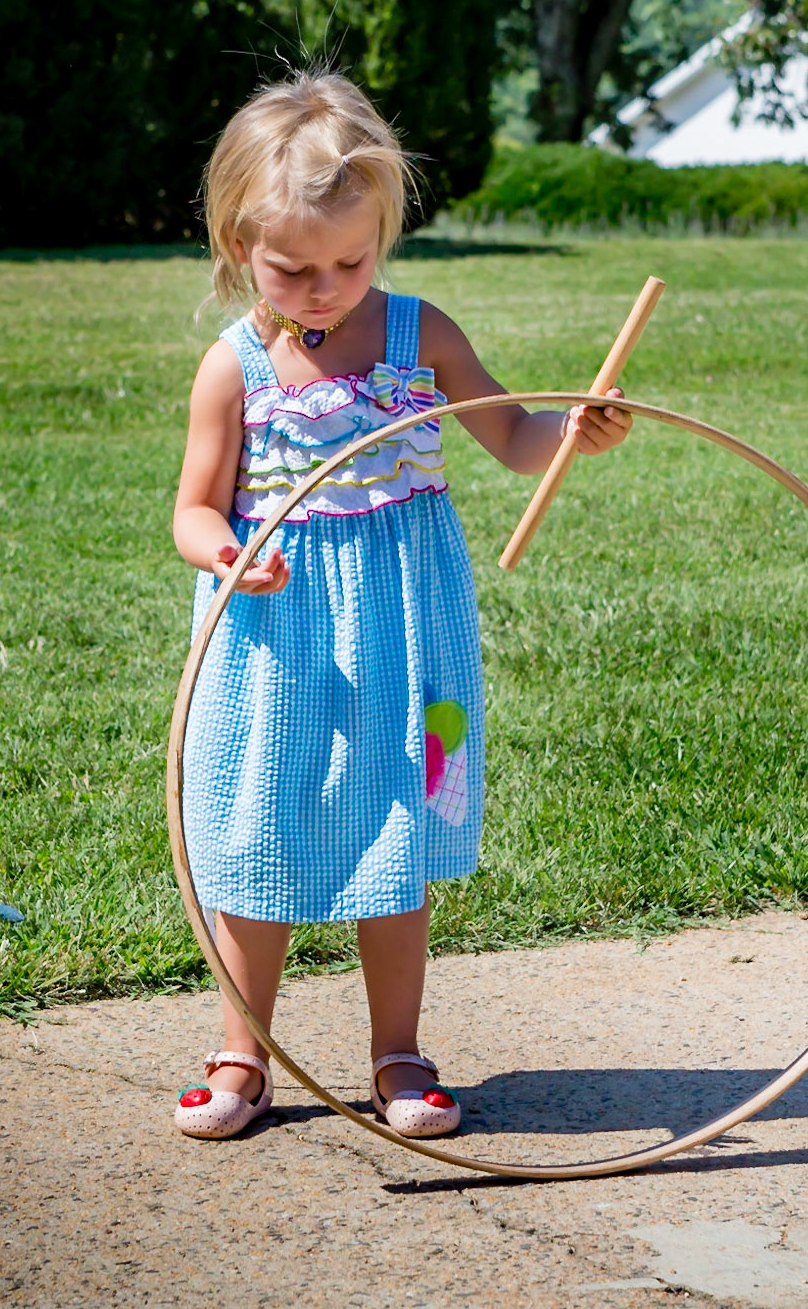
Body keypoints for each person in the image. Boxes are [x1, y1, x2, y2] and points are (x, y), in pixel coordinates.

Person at [170, 71, 632, 1140]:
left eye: (352, 259)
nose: (326, 285)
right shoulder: (233, 366)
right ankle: (245, 1046)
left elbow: (514, 437)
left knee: (396, 827)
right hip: (273, 634)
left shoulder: (424, 335)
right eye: (295, 266)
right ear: (241, 244)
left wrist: (570, 430)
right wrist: (232, 550)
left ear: (384, 231)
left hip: (405, 632)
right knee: (259, 825)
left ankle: (398, 1048)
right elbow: (193, 508)